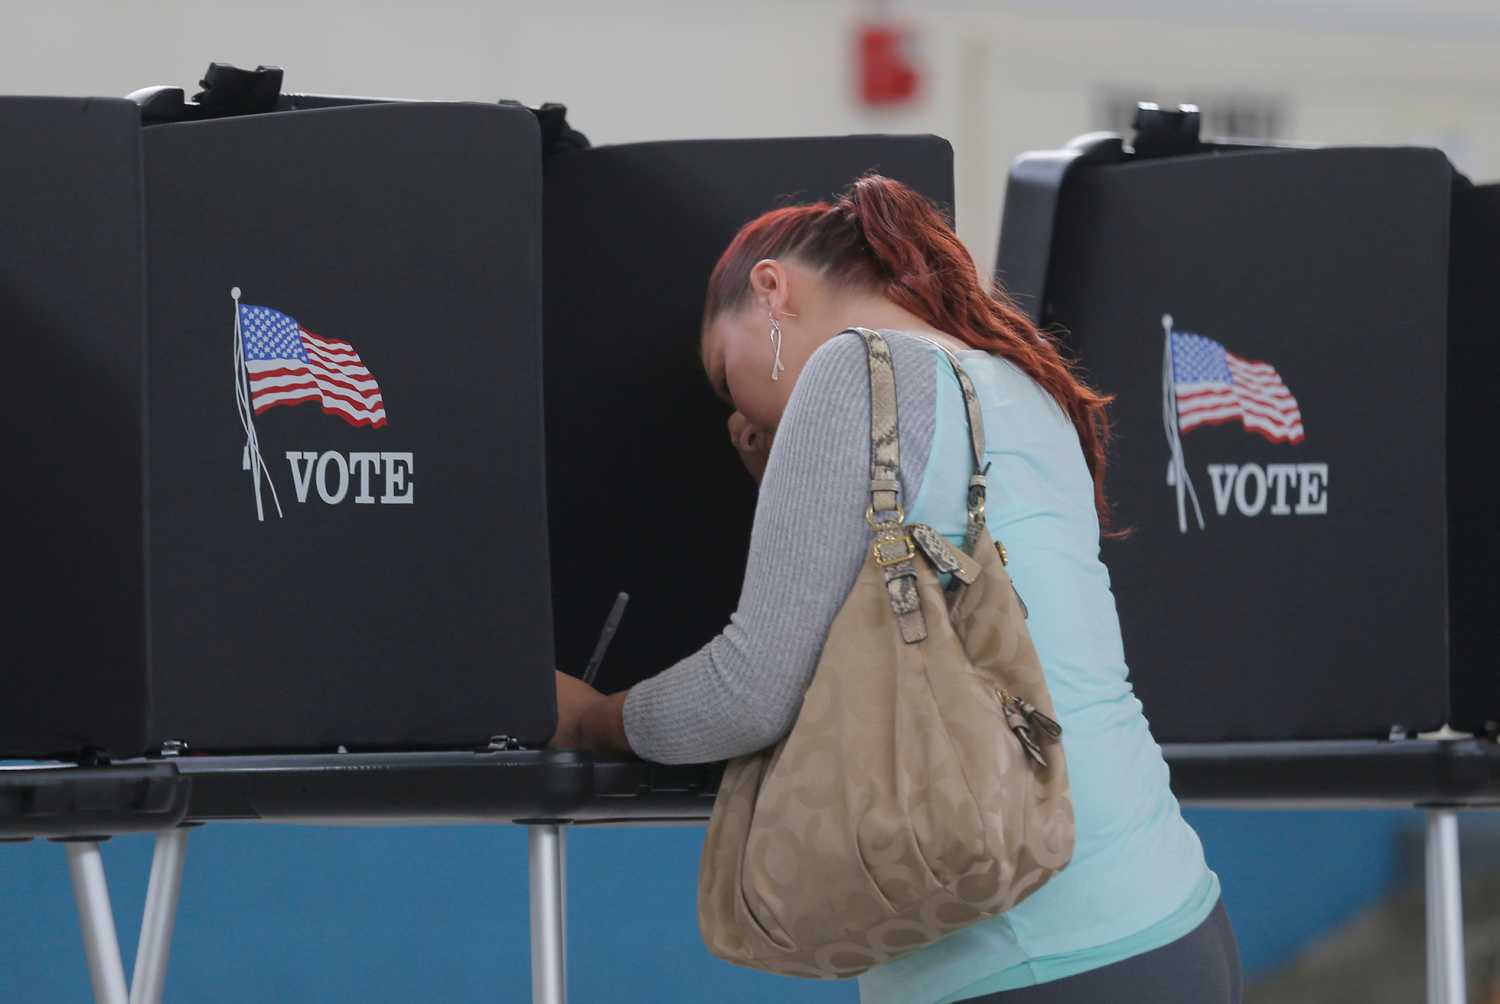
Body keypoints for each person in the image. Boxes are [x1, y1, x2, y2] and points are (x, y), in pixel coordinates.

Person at [551, 174, 1243, 1004]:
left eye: (722, 370)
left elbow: (752, 691)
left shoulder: (854, 369)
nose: (732, 407)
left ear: (772, 290)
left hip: (1027, 955)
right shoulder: (1016, 380)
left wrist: (591, 718)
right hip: (1165, 918)